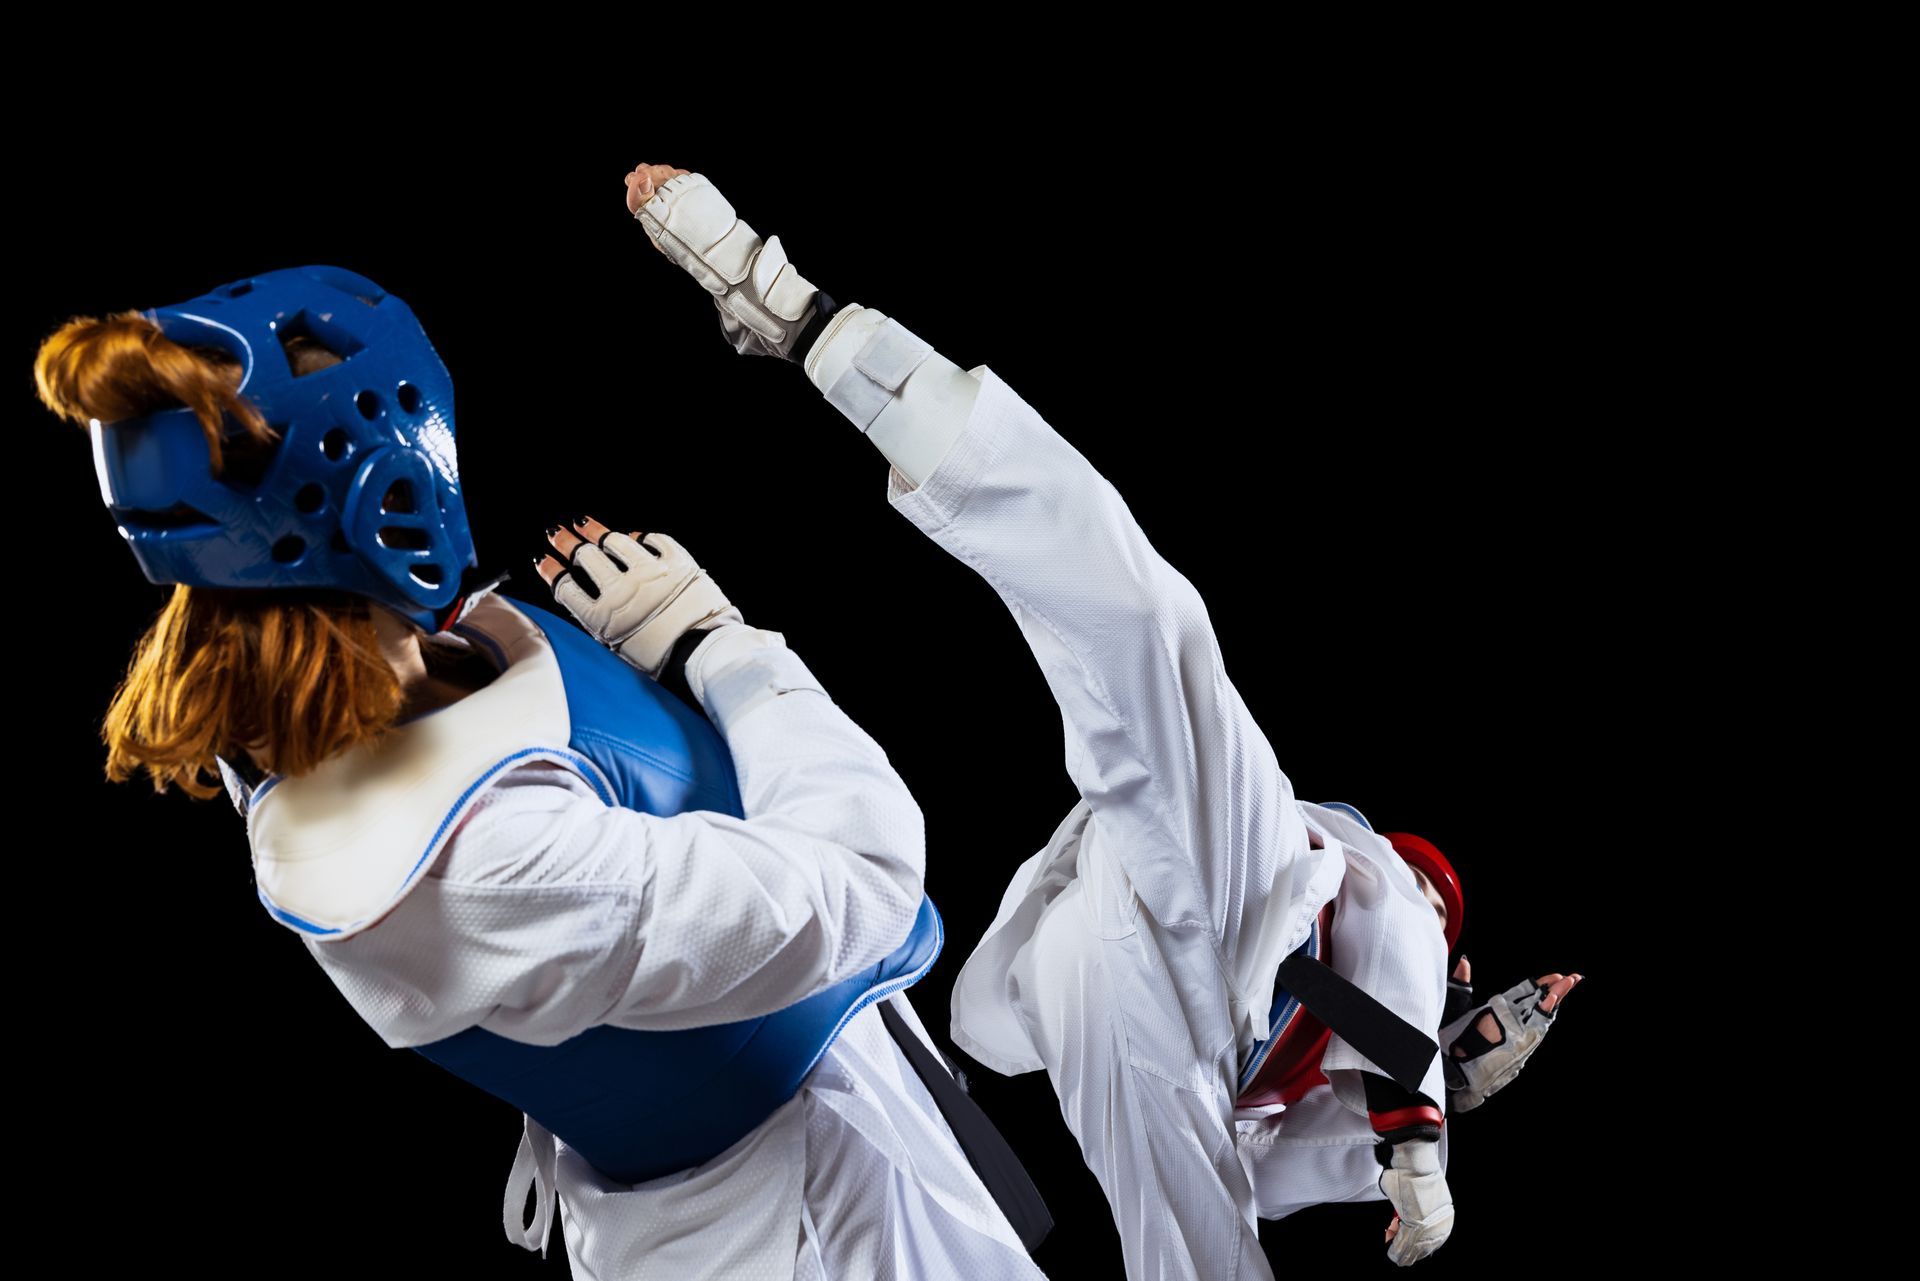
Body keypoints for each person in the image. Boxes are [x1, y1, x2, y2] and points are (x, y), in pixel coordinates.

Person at [626, 162, 1586, 1276]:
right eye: (1432, 896)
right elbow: (1393, 946)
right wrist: (1419, 1131)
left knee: (1184, 1209)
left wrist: (1431, 1100)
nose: (1428, 914)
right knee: (1143, 626)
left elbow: (1264, 1170)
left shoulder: (1310, 1077)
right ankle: (809, 321)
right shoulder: (1359, 881)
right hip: (1238, 899)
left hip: (1128, 994)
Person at [33, 258, 1049, 1280]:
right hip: (797, 1228)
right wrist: (722, 649)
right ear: (386, 491)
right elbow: (868, 887)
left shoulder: (364, 670)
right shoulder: (469, 865)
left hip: (838, 1099)